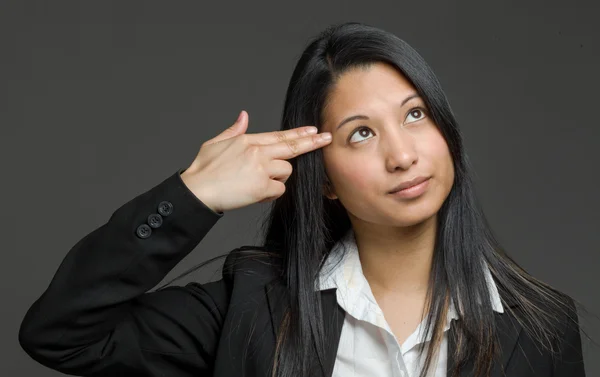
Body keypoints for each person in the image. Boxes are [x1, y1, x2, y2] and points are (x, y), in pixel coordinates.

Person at [18, 21, 586, 377]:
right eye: (361, 133)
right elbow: (61, 335)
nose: (403, 155)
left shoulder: (541, 326)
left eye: (416, 115)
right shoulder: (252, 308)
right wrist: (195, 196)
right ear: (324, 179)